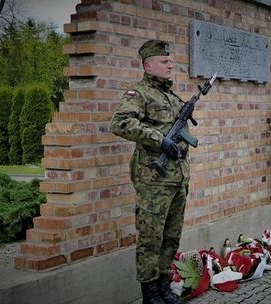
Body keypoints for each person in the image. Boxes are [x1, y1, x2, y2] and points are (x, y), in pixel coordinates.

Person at [110, 40, 189, 304]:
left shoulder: (170, 95)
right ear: (148, 65)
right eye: (164, 61)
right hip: (153, 180)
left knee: (170, 236)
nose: (170, 64)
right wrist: (159, 140)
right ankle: (150, 295)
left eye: (169, 60)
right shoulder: (140, 94)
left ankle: (164, 287)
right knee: (150, 239)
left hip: (176, 178)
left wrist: (179, 146)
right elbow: (120, 123)